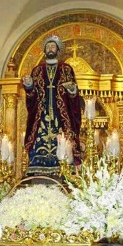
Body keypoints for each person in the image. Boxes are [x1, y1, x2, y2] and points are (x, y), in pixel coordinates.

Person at [23, 35, 81, 175]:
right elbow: (32, 97)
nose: (50, 48)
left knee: (63, 139)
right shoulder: (37, 70)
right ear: (44, 50)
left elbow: (73, 97)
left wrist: (72, 89)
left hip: (60, 114)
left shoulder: (66, 69)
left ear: (58, 49)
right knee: (39, 140)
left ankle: (65, 168)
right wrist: (29, 86)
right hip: (41, 115)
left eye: (53, 46)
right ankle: (38, 166)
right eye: (48, 46)